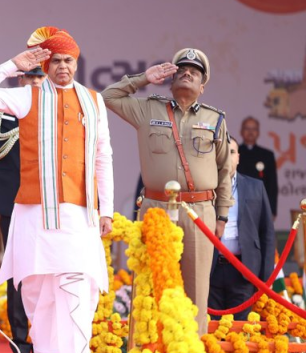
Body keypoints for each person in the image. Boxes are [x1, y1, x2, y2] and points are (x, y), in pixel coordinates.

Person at [0, 26, 113, 353]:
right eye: (56, 61)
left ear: (77, 63)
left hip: (79, 214)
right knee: (38, 292)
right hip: (34, 215)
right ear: (46, 65)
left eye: (68, 60)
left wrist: (106, 209)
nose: (62, 66)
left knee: (78, 288)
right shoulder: (27, 96)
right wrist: (12, 66)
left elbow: (103, 156)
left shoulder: (94, 101)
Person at [101, 47, 232, 336]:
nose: (187, 74)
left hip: (200, 211)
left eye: (194, 72)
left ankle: (191, 346)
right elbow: (108, 97)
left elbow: (225, 170)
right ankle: (144, 347)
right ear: (171, 80)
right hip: (156, 208)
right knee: (148, 285)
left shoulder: (215, 119)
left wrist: (222, 215)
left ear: (202, 86)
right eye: (181, 70)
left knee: (196, 289)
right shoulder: (149, 109)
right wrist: (143, 78)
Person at [0, 66, 45, 353]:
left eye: (40, 77)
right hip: (12, 201)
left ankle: (47, 337)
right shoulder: (3, 107)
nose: (36, 82)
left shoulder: (59, 107)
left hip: (49, 201)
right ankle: (21, 340)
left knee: (49, 269)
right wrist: (9, 66)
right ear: (20, 78)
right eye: (30, 76)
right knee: (18, 268)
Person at [209, 136, 275, 320]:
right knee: (211, 330)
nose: (227, 157)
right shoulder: (204, 189)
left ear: (238, 157)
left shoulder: (255, 187)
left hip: (244, 270)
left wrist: (266, 277)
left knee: (241, 330)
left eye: (231, 152)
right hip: (211, 269)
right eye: (223, 152)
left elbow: (267, 233)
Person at [237, 116, 279, 217]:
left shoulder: (267, 155)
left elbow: (272, 186)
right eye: (247, 128)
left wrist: (272, 210)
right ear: (241, 131)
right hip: (238, 204)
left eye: (254, 129)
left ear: (258, 132)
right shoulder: (234, 152)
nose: (250, 132)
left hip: (260, 205)